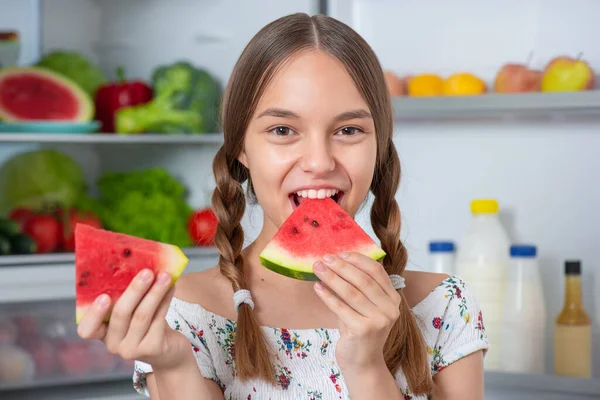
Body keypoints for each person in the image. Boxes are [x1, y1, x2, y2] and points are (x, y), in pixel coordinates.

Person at [77, 12, 488, 400]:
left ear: (379, 145)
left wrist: (366, 366)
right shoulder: (182, 314)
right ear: (241, 147)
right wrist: (173, 365)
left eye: (348, 129)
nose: (319, 162)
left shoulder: (444, 307)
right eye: (282, 130)